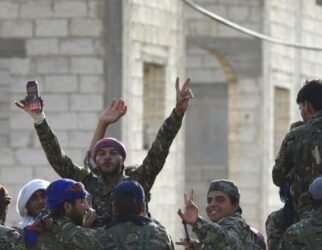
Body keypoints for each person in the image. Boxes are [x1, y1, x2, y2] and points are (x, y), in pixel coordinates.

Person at [17, 78, 193, 224]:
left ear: (123, 160)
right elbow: (58, 159)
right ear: (95, 160)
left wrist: (177, 114)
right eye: (101, 154)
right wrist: (39, 120)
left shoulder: (138, 181)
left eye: (113, 153)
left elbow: (159, 149)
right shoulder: (86, 184)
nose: (107, 157)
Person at [272, 80, 322, 218]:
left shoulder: (295, 135)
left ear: (307, 106)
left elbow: (277, 176)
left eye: (300, 107)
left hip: (304, 214)